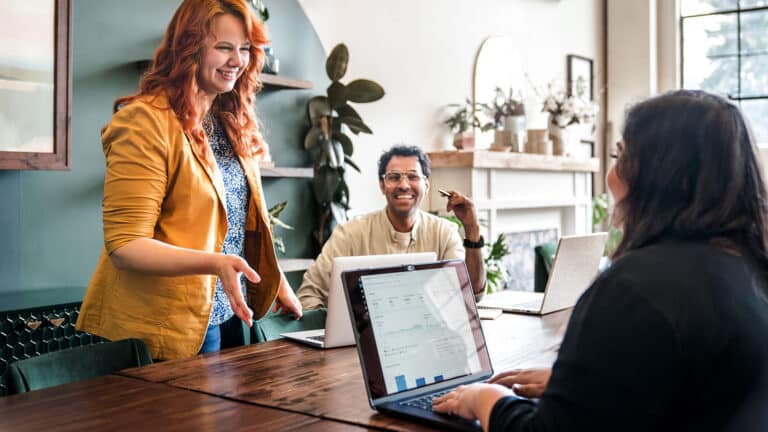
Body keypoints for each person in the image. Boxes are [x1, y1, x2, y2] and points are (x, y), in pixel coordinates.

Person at [433, 90, 768, 431]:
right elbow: (694, 389)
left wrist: (481, 398)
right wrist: (590, 385)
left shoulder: (634, 288)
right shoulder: (749, 269)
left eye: (619, 156)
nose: (609, 175)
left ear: (658, 174)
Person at [76, 0, 302, 361]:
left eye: (244, 49)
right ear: (189, 48)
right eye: (224, 47)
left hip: (230, 312)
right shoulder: (144, 123)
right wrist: (215, 262)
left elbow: (236, 224)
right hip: (167, 326)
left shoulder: (230, 121)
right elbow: (126, 245)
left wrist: (277, 285)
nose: (237, 61)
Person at [296, 145, 486, 309]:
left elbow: (472, 294)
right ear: (382, 185)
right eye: (394, 177)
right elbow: (307, 295)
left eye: (412, 176)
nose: (403, 185)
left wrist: (472, 229)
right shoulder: (350, 234)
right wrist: (336, 329)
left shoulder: (444, 232)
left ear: (426, 185)